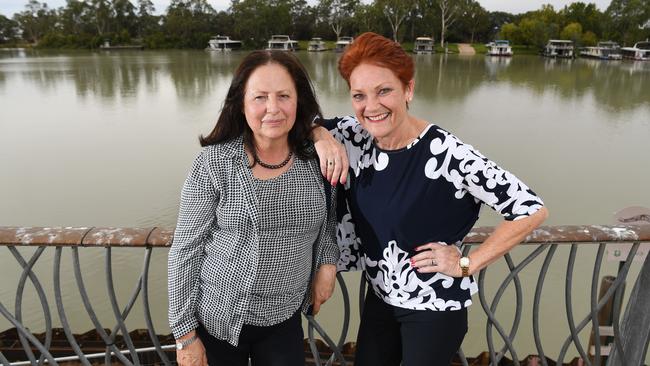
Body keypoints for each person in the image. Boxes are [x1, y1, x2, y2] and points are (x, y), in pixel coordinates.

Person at [313, 32, 549, 366]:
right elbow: (298, 120)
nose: (371, 106)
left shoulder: (447, 154)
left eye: (384, 91)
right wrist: (320, 135)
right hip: (381, 300)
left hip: (433, 309)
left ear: (408, 89)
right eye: (359, 95)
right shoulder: (355, 136)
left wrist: (468, 263)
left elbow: (530, 209)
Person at [167, 50, 339, 366]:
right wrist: (184, 336)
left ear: (298, 100)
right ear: (241, 103)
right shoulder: (215, 163)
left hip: (285, 320)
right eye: (260, 97)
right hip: (219, 320)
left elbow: (328, 224)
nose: (273, 108)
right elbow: (185, 250)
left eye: (284, 96)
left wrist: (327, 265)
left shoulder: (317, 160)